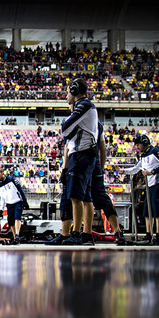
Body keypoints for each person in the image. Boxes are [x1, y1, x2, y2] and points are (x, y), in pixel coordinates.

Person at [60, 78, 99, 246]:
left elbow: (65, 129)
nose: (67, 95)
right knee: (86, 197)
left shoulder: (83, 105)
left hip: (81, 154)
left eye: (68, 91)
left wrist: (69, 119)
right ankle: (86, 234)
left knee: (76, 196)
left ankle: (76, 233)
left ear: (75, 91)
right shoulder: (85, 106)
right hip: (87, 154)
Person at [124, 133, 159, 246]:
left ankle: (158, 236)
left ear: (144, 143)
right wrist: (123, 171)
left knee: (158, 210)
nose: (137, 147)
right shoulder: (143, 156)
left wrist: (152, 172)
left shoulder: (155, 151)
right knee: (147, 210)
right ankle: (148, 234)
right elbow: (136, 168)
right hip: (150, 185)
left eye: (138, 145)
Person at [0, 166, 29, 245]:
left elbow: (20, 189)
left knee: (17, 217)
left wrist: (25, 201)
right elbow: (2, 198)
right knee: (11, 222)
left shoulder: (12, 180)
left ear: (2, 173)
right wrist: (1, 210)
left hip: (17, 201)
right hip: (9, 203)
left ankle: (17, 235)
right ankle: (15, 238)